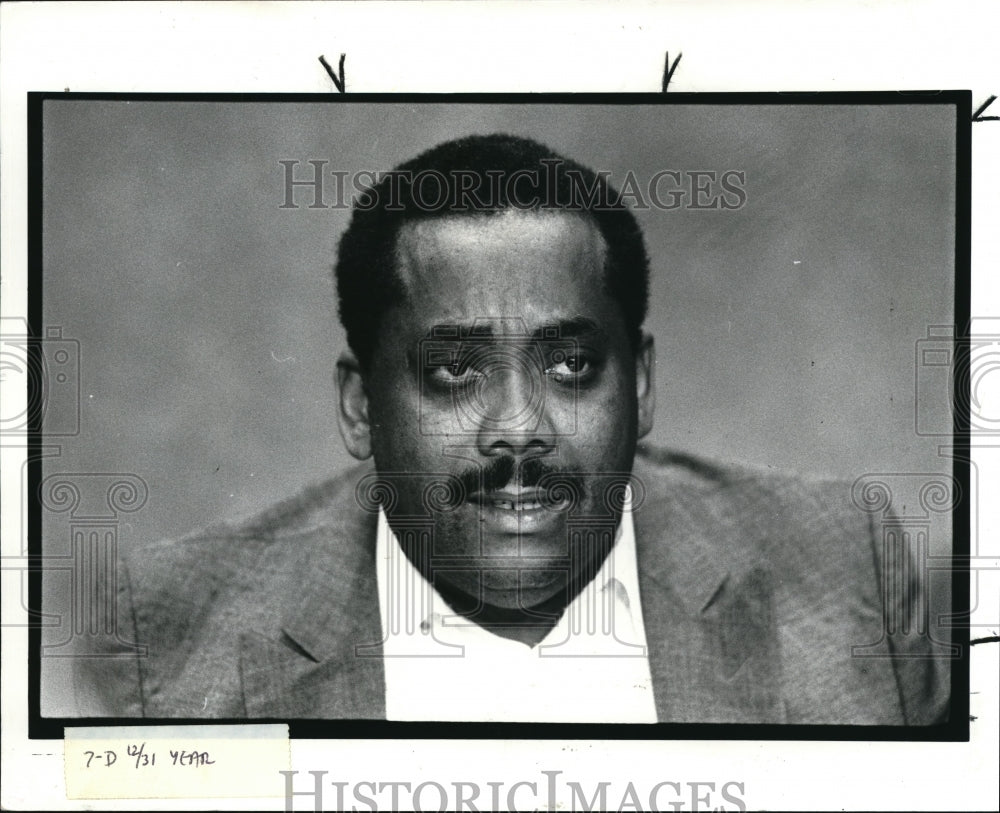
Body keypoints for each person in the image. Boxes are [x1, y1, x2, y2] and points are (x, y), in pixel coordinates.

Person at [76, 134, 949, 724]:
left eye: (570, 365)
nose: (519, 430)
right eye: (454, 370)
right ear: (359, 406)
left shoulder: (844, 572)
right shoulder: (164, 643)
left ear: (640, 387)